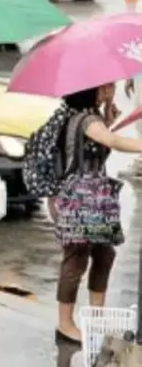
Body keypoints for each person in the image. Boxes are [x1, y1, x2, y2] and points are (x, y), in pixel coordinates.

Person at [51, 84, 142, 344]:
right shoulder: (86, 119)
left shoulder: (91, 117)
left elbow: (101, 142)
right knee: (76, 257)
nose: (112, 89)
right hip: (81, 196)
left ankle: (97, 317)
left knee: (104, 252)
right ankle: (65, 323)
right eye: (108, 86)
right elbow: (110, 141)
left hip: (95, 197)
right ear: (95, 90)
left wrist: (109, 119)